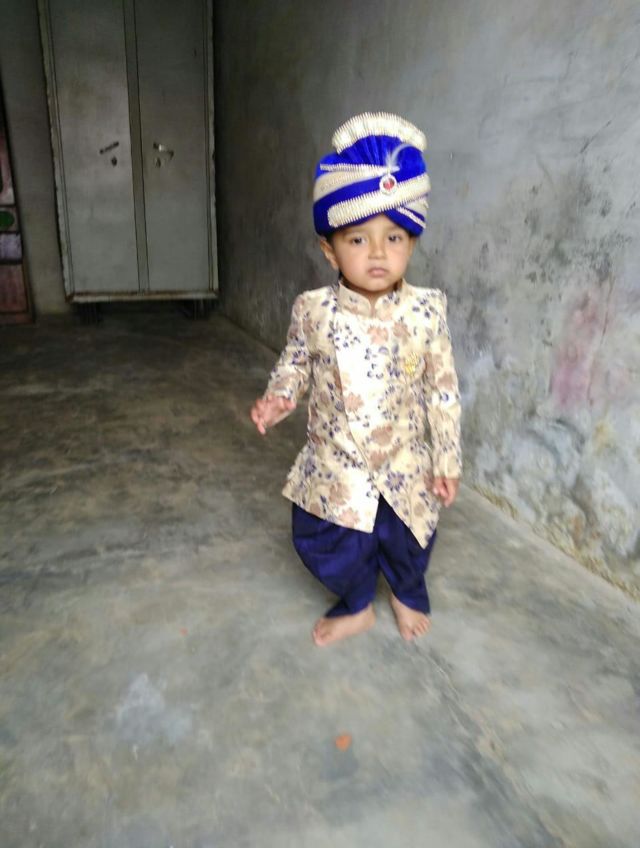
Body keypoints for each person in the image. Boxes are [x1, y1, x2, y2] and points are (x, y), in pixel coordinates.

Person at [250, 112, 462, 646]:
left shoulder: (426, 311)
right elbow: (296, 362)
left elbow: (442, 391)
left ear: (412, 243)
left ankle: (407, 593)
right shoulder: (314, 310)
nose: (378, 253)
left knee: (408, 537)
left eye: (394, 237)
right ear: (330, 249)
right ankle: (358, 602)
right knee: (325, 538)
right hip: (337, 460)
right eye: (358, 239)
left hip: (403, 459)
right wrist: (280, 397)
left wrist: (447, 458)